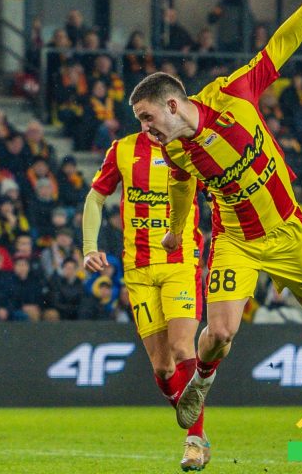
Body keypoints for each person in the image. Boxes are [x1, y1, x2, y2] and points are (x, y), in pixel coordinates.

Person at [129, 0, 302, 433]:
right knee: (221, 333)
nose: (144, 130)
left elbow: (281, 46)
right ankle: (201, 381)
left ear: (172, 106)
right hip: (236, 240)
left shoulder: (233, 94)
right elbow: (182, 185)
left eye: (147, 118)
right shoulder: (174, 149)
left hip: (284, 228)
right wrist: (175, 230)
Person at [83, 122, 209, 469]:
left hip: (180, 263)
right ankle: (197, 431)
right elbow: (95, 197)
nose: (149, 122)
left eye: (152, 113)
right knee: (163, 368)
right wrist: (89, 246)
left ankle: (194, 440)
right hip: (138, 270)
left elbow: (221, 193)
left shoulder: (190, 147)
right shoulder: (123, 149)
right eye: (142, 115)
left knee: (183, 347)